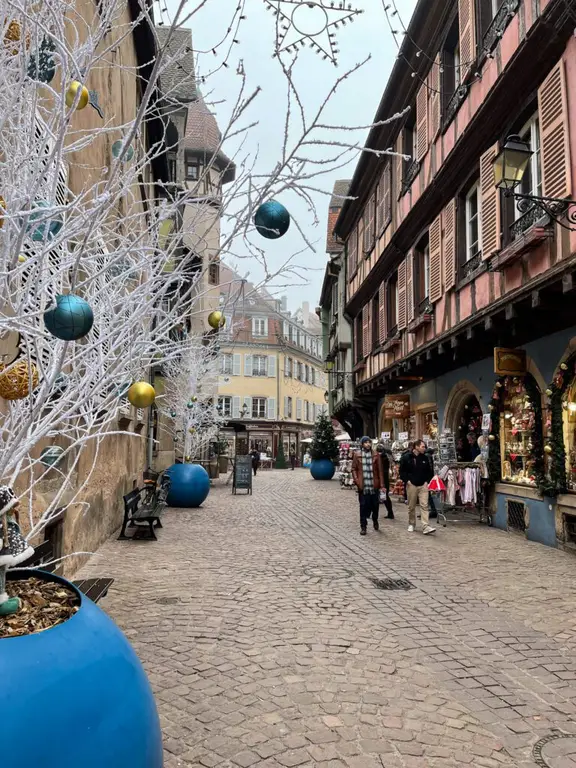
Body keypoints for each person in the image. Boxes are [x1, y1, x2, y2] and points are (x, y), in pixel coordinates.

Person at [400, 439, 436, 534]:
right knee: (411, 506)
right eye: (423, 447)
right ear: (416, 447)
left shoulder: (424, 458)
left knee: (424, 505)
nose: (424, 449)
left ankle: (425, 526)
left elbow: (429, 471)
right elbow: (402, 471)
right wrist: (407, 481)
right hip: (411, 485)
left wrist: (426, 482)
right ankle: (411, 523)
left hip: (423, 485)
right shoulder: (406, 457)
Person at [352, 437, 383, 536]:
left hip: (374, 484)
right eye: (366, 442)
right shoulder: (357, 455)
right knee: (363, 506)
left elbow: (380, 471)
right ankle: (363, 526)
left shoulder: (376, 455)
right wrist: (357, 481)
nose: (368, 444)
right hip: (363, 485)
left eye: (369, 442)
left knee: (375, 505)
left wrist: (382, 485)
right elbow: (354, 469)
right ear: (362, 444)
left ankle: (375, 519)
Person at [375, 444, 394, 519]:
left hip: (381, 478)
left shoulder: (380, 458)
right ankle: (390, 512)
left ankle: (389, 513)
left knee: (381, 496)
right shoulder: (386, 457)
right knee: (385, 496)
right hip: (385, 478)